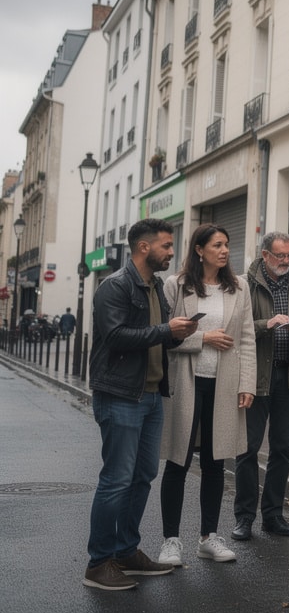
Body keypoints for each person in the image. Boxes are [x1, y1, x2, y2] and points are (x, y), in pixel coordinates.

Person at [83, 218, 198, 591]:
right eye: (166, 245)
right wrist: (167, 331)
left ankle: (126, 551)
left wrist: (178, 334)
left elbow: (156, 339)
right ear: (144, 247)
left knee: (143, 476)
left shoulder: (155, 289)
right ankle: (99, 563)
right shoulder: (114, 286)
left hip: (150, 396)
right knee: (116, 479)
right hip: (119, 395)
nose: (171, 252)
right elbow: (115, 336)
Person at [157, 224, 257, 567]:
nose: (225, 250)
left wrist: (247, 384)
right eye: (217, 245)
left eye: (227, 244)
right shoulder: (176, 285)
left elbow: (246, 339)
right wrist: (203, 339)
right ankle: (171, 540)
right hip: (186, 382)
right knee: (178, 461)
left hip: (223, 384)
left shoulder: (238, 286)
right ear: (199, 250)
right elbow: (165, 338)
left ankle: (208, 537)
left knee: (216, 463)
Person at [233, 231, 289, 541]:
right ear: (265, 256)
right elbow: (237, 328)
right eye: (280, 256)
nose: (286, 261)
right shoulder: (245, 285)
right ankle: (244, 517)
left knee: (282, 450)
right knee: (248, 449)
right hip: (255, 377)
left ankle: (273, 515)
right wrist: (267, 324)